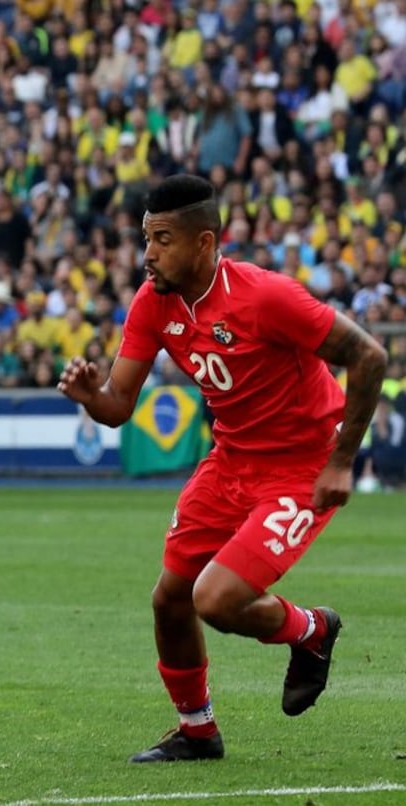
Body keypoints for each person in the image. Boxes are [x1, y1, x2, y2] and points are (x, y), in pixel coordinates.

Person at [58, 174, 387, 763]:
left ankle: (310, 629)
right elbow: (118, 406)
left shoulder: (265, 297)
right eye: (144, 238)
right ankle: (197, 731)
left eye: (162, 239)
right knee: (170, 600)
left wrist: (342, 461)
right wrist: (91, 397)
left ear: (205, 243)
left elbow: (369, 355)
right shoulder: (153, 303)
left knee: (214, 599)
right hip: (231, 462)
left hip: (299, 468)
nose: (148, 254)